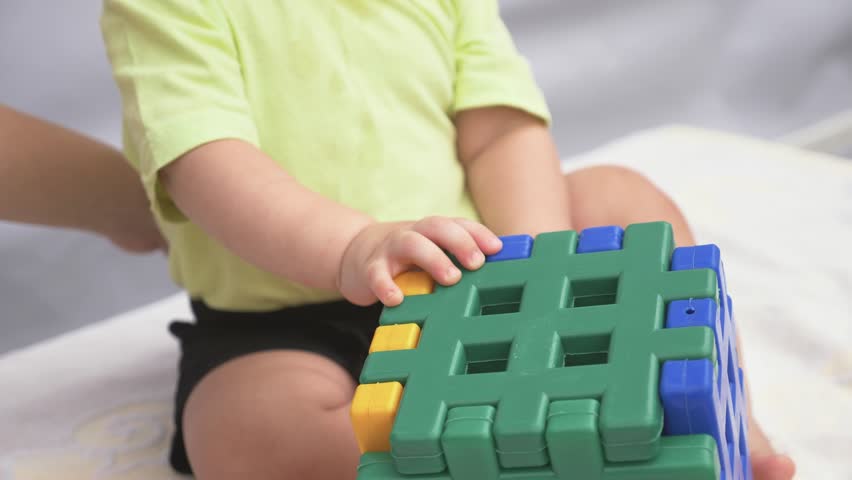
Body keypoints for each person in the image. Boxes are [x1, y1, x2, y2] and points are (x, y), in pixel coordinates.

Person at [4, 1, 794, 477]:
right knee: (245, 434)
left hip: (481, 268)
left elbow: (499, 130)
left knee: (625, 201)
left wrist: (538, 280)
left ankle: (729, 426)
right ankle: (467, 467)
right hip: (292, 317)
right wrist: (352, 245)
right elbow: (205, 161)